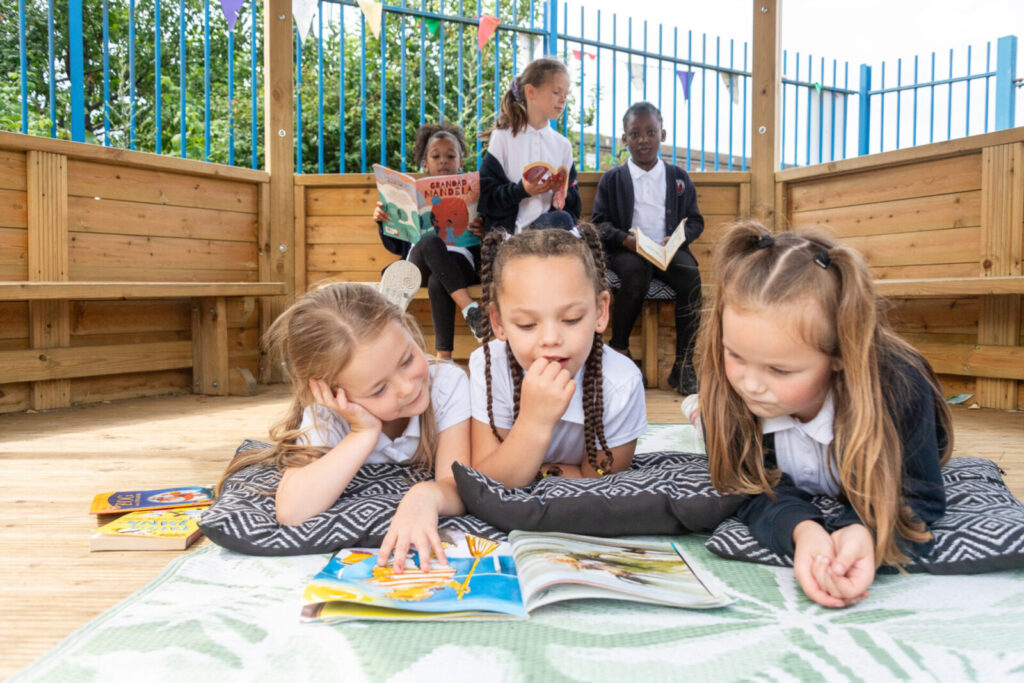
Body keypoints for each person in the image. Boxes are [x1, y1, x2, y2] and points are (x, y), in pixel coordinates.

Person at [694, 221, 953, 608]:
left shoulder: (903, 390)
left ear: (839, 357)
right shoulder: (729, 394)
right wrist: (803, 531)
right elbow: (748, 487)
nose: (750, 385)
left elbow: (918, 493)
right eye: (736, 355)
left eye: (780, 371)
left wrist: (867, 532)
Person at [216, 283, 472, 571]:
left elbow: (457, 484)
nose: (406, 387)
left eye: (407, 360)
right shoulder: (330, 411)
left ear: (407, 329)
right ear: (333, 393)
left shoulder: (447, 384)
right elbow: (291, 511)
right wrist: (362, 433)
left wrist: (423, 496)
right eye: (378, 390)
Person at [469, 225, 648, 489]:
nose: (550, 339)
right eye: (527, 324)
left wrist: (530, 471)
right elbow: (485, 481)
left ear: (600, 311)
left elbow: (599, 483)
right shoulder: (490, 366)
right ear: (498, 322)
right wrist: (534, 421)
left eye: (571, 319)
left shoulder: (622, 384)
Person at [591, 101, 704, 394]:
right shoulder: (613, 179)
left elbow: (695, 221)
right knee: (635, 271)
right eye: (635, 133)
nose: (643, 140)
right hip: (628, 251)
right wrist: (626, 240)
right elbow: (600, 224)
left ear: (662, 134)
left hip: (667, 251)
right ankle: (620, 352)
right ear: (624, 139)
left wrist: (676, 239)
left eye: (650, 132)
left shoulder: (678, 178)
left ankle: (683, 365)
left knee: (691, 277)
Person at [374, 122, 488, 357]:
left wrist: (482, 230)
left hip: (459, 264)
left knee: (439, 280)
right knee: (429, 242)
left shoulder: (475, 192)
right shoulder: (412, 194)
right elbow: (394, 245)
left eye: (450, 155)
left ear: (460, 163)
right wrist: (384, 221)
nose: (443, 160)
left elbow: (487, 240)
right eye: (436, 156)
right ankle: (470, 309)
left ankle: (443, 358)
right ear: (425, 164)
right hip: (417, 264)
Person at [478, 57, 582, 233]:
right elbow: (487, 197)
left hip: (548, 233)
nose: (563, 100)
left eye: (566, 94)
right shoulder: (502, 137)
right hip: (509, 236)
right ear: (530, 92)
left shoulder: (563, 145)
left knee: (561, 219)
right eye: (556, 92)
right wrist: (521, 190)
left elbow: (573, 206)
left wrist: (560, 193)